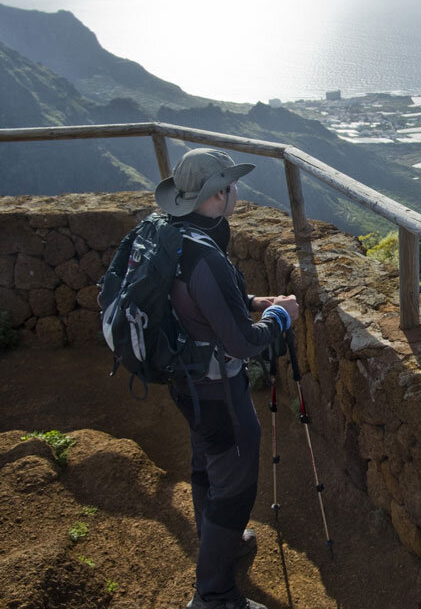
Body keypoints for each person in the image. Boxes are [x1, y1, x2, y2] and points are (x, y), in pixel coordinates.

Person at [154, 147, 299, 609]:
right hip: (218, 389)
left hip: (187, 381)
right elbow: (243, 343)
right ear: (220, 193)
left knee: (207, 464)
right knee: (234, 486)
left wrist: (255, 302)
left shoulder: (172, 235)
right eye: (231, 185)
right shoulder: (206, 257)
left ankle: (219, 540)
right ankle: (214, 594)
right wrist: (280, 317)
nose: (236, 191)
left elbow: (207, 305)